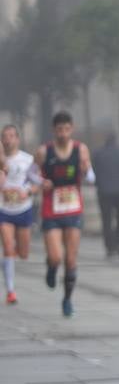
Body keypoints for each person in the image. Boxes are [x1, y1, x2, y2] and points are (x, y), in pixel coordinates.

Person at [36, 112, 92, 317]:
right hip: (51, 209)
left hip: (73, 208)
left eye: (66, 129)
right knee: (56, 256)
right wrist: (42, 182)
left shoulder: (81, 149)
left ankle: (67, 300)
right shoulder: (44, 151)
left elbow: (90, 174)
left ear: (72, 129)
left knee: (70, 259)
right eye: (59, 130)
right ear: (54, 130)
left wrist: (87, 172)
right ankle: (51, 267)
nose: (63, 134)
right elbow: (32, 174)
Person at [1, 124, 43, 305]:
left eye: (11, 136)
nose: (8, 139)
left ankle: (11, 256)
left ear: (17, 139)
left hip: (24, 208)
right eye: (5, 136)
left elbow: (37, 183)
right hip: (4, 210)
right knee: (8, 248)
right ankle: (11, 291)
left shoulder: (27, 160)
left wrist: (28, 192)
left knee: (24, 253)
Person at [91, 131, 119, 259]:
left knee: (106, 220)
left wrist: (98, 184)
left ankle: (110, 247)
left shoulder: (98, 154)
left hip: (104, 192)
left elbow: (93, 173)